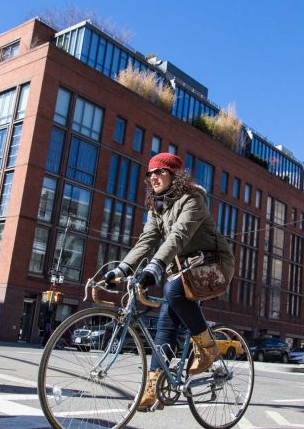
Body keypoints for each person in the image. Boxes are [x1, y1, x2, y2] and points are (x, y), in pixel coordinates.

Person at [103, 152, 234, 412]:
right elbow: (146, 240)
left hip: (214, 265)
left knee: (172, 288)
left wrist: (155, 267)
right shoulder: (157, 207)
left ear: (175, 175)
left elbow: (178, 236)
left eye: (160, 171)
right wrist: (122, 269)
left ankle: (207, 347)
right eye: (150, 173)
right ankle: (153, 388)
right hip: (184, 271)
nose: (154, 177)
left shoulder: (193, 199)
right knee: (164, 325)